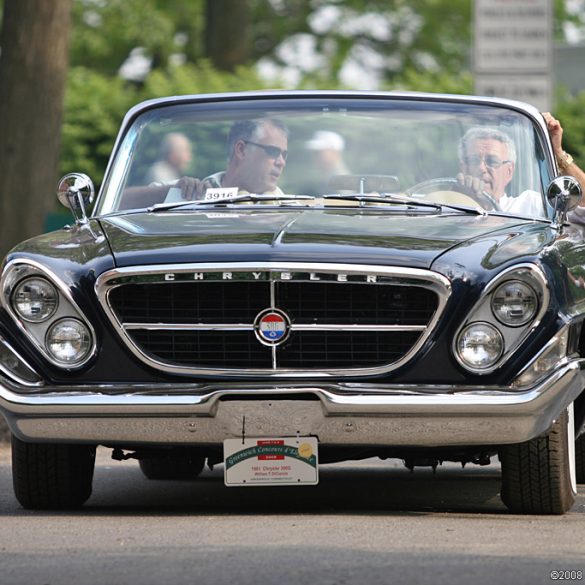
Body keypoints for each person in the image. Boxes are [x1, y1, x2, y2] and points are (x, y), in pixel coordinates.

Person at [457, 126, 544, 216]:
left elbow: (558, 209)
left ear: (509, 172)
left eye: (492, 161)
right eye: (474, 160)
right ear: (462, 168)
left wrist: (557, 152)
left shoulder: (530, 205)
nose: (482, 168)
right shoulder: (447, 207)